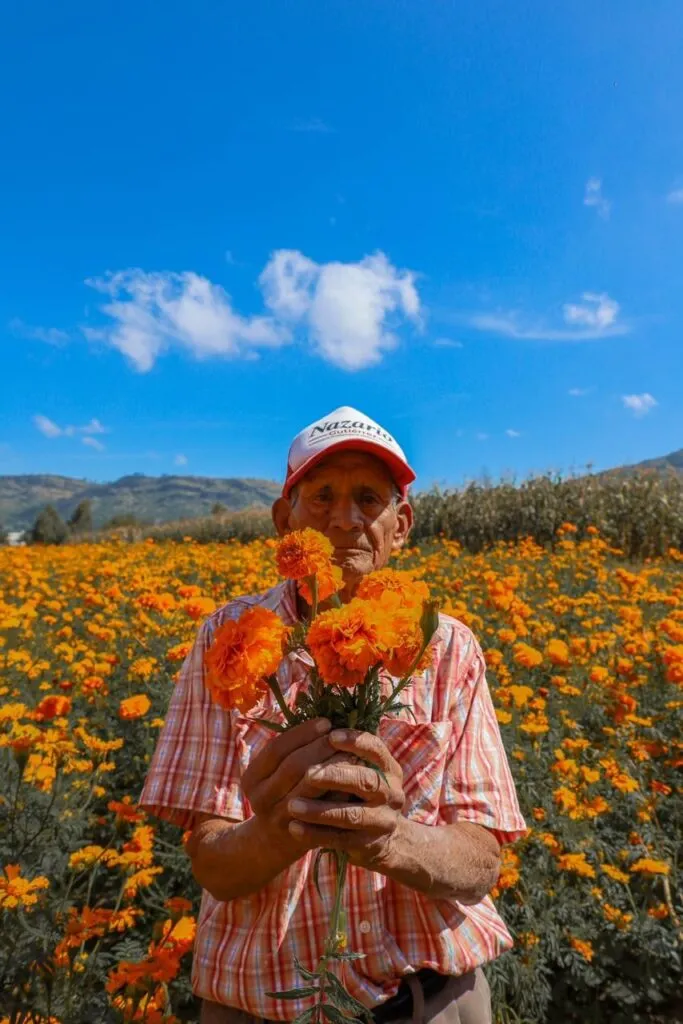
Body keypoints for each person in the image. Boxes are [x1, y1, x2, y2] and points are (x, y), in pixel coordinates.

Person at [139, 406, 527, 1024]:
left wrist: (389, 838)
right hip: (261, 1004)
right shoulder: (226, 636)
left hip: (429, 1002)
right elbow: (211, 862)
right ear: (283, 521)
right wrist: (278, 830)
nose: (345, 519)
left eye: (368, 498)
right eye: (321, 497)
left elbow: (481, 863)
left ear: (400, 526)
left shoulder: (450, 647)